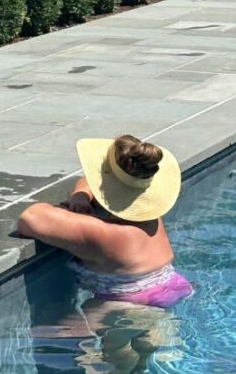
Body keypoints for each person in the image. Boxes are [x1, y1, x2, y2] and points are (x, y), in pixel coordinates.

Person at [17, 135, 193, 373]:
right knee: (143, 337)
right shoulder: (149, 213)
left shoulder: (103, 235)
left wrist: (76, 207)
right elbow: (89, 182)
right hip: (168, 286)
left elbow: (31, 218)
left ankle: (125, 366)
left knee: (115, 351)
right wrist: (81, 195)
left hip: (126, 307)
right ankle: (145, 352)